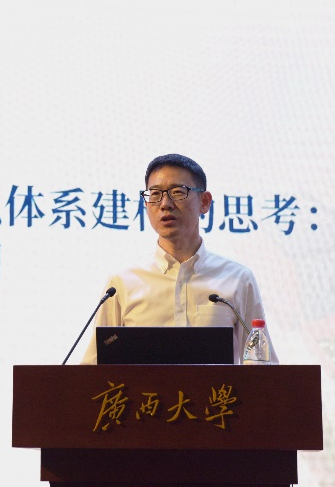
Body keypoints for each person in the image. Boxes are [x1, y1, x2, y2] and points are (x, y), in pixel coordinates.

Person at [81, 153, 278, 365]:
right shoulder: (122, 283)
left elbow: (261, 367)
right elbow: (94, 369)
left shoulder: (238, 279)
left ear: (204, 202)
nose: (165, 204)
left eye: (177, 192)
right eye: (155, 194)